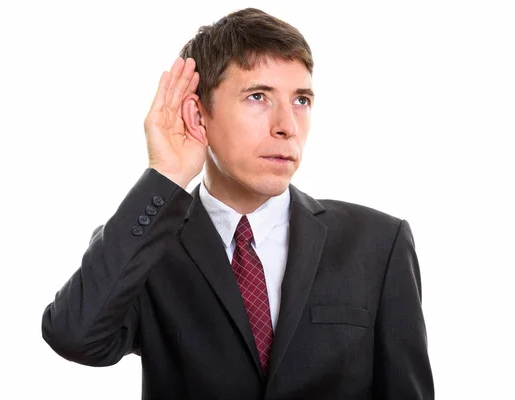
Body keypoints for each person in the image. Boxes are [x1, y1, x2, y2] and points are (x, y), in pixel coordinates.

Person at [41, 7, 434, 399]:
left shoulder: (379, 243)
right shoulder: (145, 246)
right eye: (258, 96)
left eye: (301, 100)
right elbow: (74, 337)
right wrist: (166, 176)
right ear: (199, 115)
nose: (287, 126)